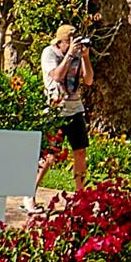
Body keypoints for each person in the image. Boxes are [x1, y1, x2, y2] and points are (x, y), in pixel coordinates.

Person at [39, 23, 92, 187]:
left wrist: (85, 57)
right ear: (60, 42)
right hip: (56, 110)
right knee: (50, 155)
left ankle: (80, 194)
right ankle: (30, 194)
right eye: (70, 43)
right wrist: (69, 55)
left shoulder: (78, 54)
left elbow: (89, 80)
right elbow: (57, 76)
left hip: (75, 109)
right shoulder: (49, 53)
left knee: (80, 151)